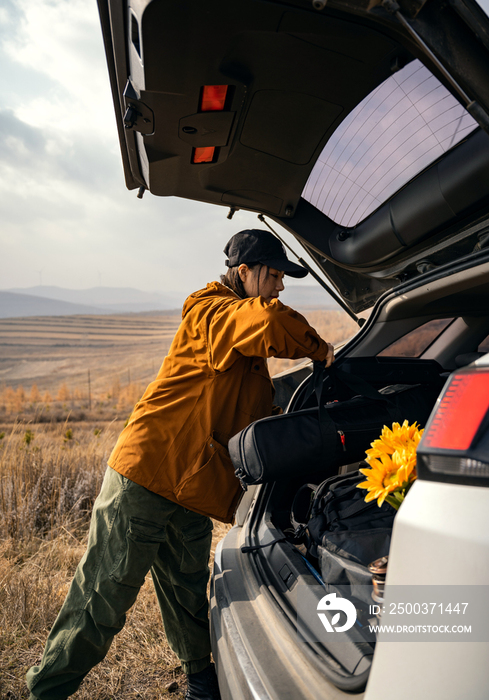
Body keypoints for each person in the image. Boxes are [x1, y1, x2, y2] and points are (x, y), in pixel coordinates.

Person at [26, 229, 334, 700]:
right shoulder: (210, 311)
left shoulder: (241, 330)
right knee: (102, 597)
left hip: (192, 482)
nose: (280, 287)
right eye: (273, 276)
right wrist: (322, 350)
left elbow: (247, 413)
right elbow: (270, 324)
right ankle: (45, 690)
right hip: (147, 475)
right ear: (244, 272)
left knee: (187, 592)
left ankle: (202, 685)